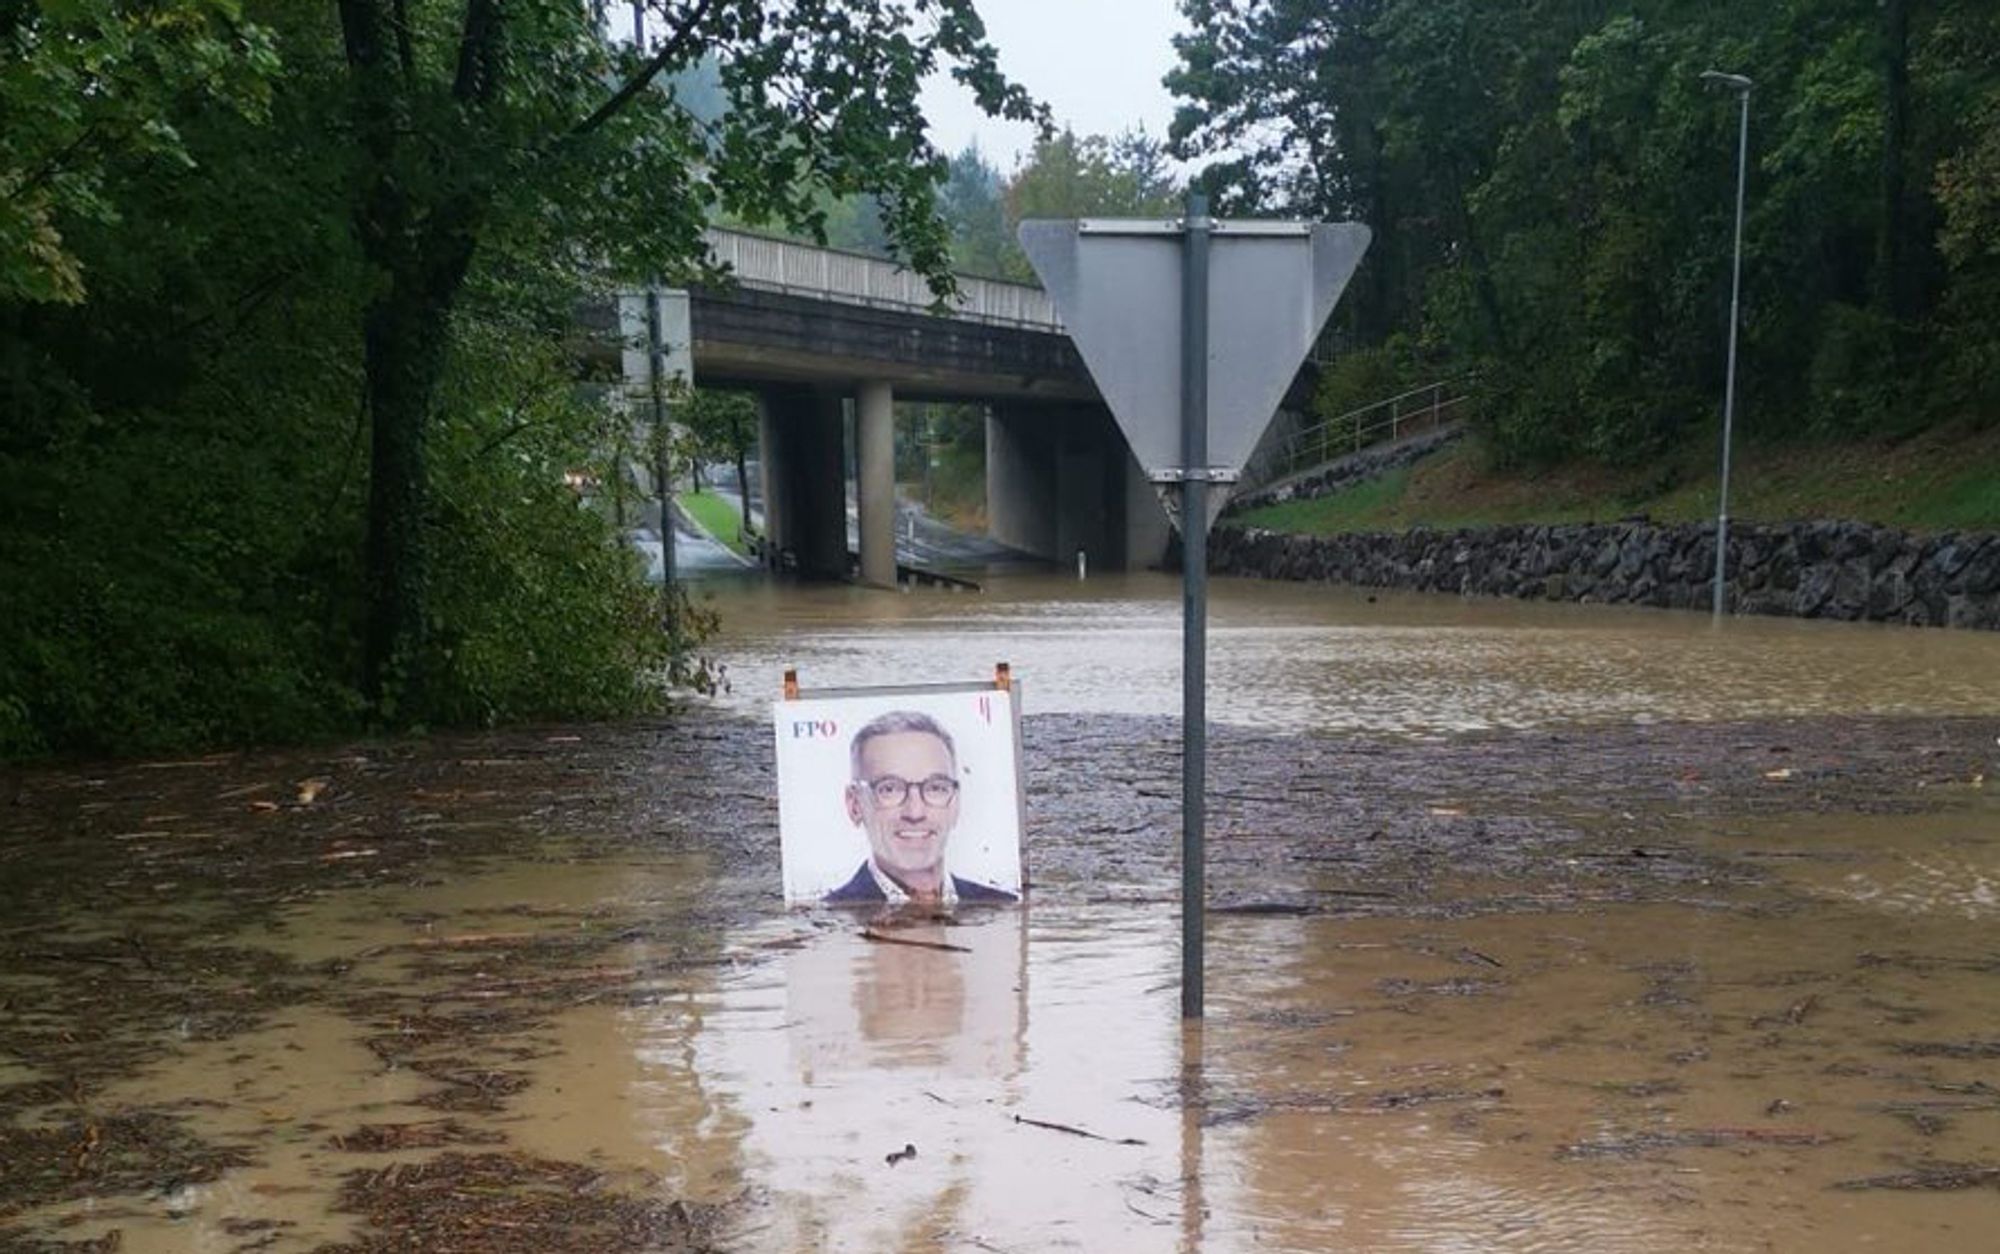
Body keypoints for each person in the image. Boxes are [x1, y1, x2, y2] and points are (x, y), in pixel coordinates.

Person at [825, 710, 1018, 905]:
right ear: (855, 805)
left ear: (956, 803)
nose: (915, 812)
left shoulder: (1000, 906)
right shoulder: (833, 917)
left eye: (935, 787)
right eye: (890, 789)